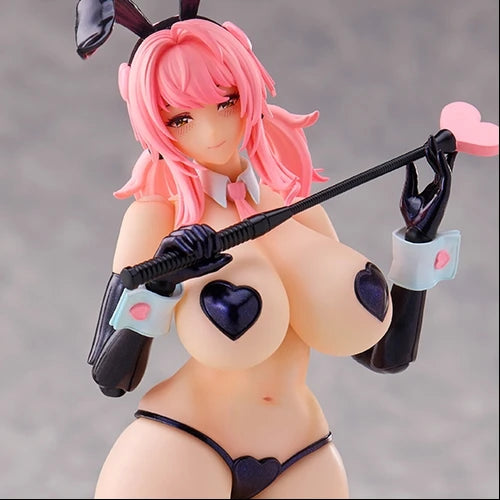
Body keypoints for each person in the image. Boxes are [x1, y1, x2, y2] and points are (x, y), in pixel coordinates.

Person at [75, 0, 459, 497]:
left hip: (304, 452)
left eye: (226, 101)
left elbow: (386, 354)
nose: (212, 130)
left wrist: (418, 243)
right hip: (183, 444)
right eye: (180, 119)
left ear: (250, 85)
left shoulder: (298, 210)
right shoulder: (157, 219)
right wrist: (161, 282)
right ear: (153, 125)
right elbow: (111, 377)